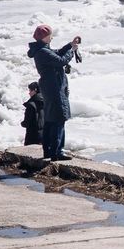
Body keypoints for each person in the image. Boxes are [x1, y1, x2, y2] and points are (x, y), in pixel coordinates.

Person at [27, 24, 79, 161]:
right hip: (54, 89)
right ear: (45, 37)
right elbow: (61, 61)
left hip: (50, 88)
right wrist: (72, 51)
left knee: (50, 120)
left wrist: (69, 45)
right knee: (59, 118)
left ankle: (48, 150)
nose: (52, 37)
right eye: (50, 35)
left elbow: (57, 53)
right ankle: (57, 151)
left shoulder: (42, 50)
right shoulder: (43, 52)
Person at [21, 81, 44, 146]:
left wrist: (23, 123)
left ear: (35, 90)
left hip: (32, 135)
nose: (29, 93)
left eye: (30, 90)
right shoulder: (45, 102)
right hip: (43, 133)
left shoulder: (31, 104)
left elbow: (27, 122)